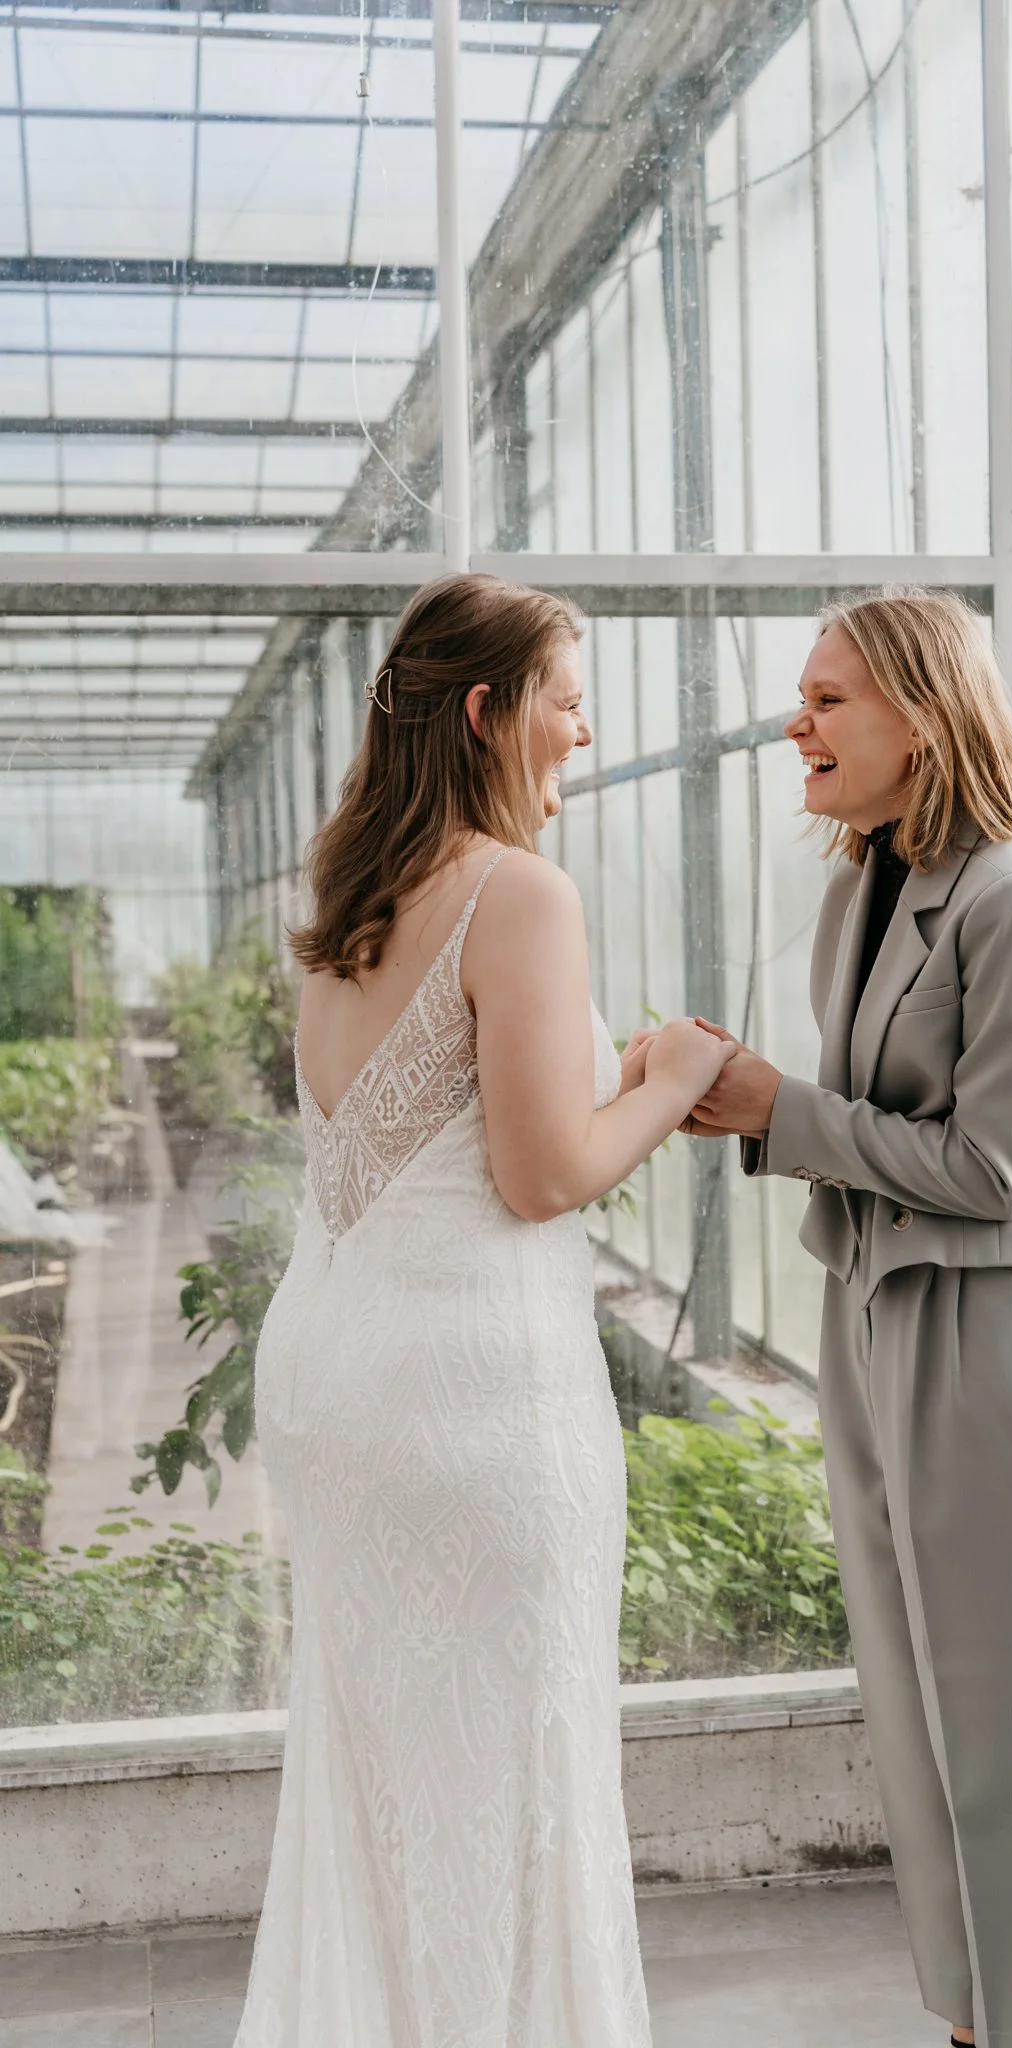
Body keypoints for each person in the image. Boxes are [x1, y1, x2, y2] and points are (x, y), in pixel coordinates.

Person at [235, 573, 731, 2048]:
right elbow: (541, 1175)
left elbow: (441, 1145)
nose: (583, 729)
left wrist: (608, 1088)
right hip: (471, 1404)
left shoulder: (355, 901)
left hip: (341, 1382)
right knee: (520, 1781)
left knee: (385, 1787)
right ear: (485, 711)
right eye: (566, 700)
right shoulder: (518, 893)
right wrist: (674, 1079)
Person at [686, 588, 1012, 2048]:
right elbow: (870, 1121)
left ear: (925, 720)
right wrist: (752, 1102)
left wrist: (779, 1110)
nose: (794, 724)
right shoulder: (863, 890)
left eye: (829, 700)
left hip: (1000, 1338)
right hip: (877, 1316)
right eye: (803, 697)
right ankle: (973, 2018)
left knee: (1011, 1736)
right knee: (918, 1706)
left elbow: (998, 1169)